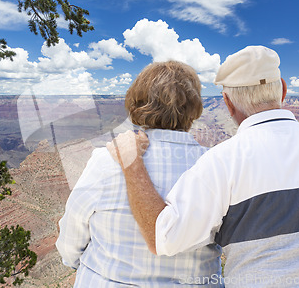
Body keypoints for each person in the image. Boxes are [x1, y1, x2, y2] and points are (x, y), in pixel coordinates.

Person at [107, 46, 299, 287]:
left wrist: (132, 163)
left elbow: (163, 238)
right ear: (283, 90)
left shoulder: (221, 161)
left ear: (227, 103)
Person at [56, 61, 223, 287]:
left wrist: (83, 267)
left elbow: (72, 235)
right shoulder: (218, 166)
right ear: (195, 108)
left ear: (137, 103)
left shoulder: (106, 160)